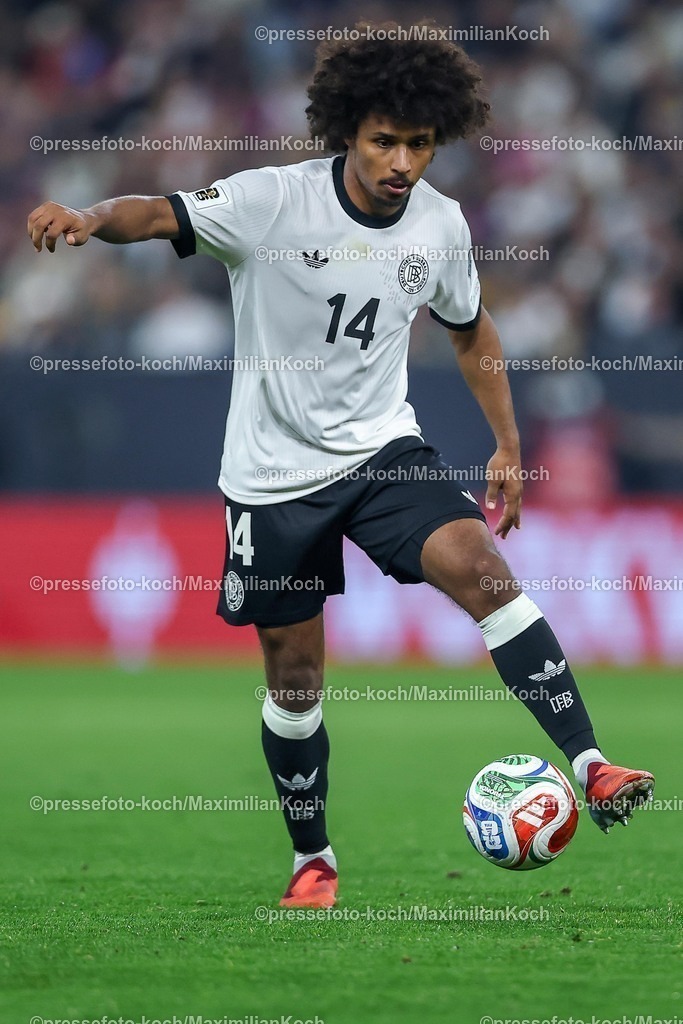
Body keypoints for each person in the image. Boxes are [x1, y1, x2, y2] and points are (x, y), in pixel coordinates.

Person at [28, 23, 654, 910]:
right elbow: (159, 213)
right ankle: (311, 858)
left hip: (381, 451)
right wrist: (90, 219)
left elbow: (470, 327)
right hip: (272, 478)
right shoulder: (271, 201)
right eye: (383, 141)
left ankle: (589, 765)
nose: (402, 163)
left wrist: (508, 444)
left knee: (484, 570)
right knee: (295, 680)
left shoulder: (440, 223)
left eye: (419, 144)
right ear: (346, 131)